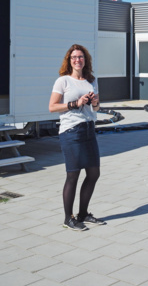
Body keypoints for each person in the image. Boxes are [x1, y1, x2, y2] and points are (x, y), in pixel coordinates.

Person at [49, 44, 106, 231]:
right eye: (73, 57)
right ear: (69, 60)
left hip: (89, 130)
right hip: (71, 132)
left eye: (80, 57)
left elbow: (96, 109)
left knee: (94, 173)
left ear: (85, 59)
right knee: (73, 175)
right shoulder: (63, 81)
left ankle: (83, 214)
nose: (77, 60)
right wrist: (75, 103)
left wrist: (95, 103)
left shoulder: (91, 80)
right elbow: (52, 107)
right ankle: (68, 218)